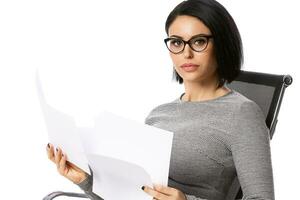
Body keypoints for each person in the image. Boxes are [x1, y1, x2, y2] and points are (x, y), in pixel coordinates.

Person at [46, 0, 275, 199]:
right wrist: (84, 180)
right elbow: (131, 194)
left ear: (222, 44)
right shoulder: (159, 113)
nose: (186, 53)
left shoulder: (242, 114)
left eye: (198, 42)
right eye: (177, 42)